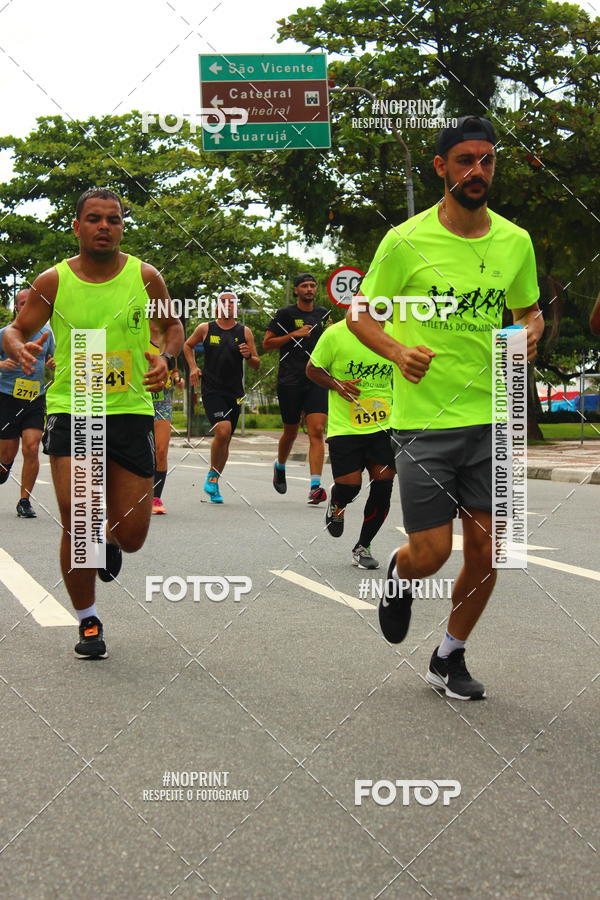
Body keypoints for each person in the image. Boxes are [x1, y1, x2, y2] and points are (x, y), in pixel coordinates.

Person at [348, 116, 544, 699]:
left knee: (489, 550)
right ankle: (400, 575)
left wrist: (531, 331)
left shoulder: (515, 241)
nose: (477, 170)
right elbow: (359, 314)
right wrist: (396, 348)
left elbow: (528, 310)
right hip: (426, 419)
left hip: (496, 418)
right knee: (431, 552)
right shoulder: (405, 241)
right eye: (465, 160)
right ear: (441, 168)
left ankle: (449, 654)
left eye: (486, 160)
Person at [4, 188, 183, 659]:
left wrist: (165, 357)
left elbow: (171, 328)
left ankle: (109, 540)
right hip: (73, 406)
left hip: (130, 412)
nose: (105, 226)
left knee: (132, 535)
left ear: (122, 226)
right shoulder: (54, 280)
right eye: (95, 218)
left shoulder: (146, 276)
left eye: (114, 219)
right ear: (78, 226)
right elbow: (18, 328)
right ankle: (87, 621)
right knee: (77, 520)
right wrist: (14, 344)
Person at [307, 315, 395, 568]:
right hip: (346, 426)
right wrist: (336, 384)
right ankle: (337, 502)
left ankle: (363, 546)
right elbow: (312, 369)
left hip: (385, 424)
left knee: (383, 485)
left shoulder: (395, 332)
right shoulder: (336, 333)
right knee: (350, 487)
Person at [184, 291, 259, 503]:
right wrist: (192, 367)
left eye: (232, 302)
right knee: (222, 430)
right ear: (218, 306)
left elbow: (256, 362)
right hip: (212, 389)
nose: (228, 305)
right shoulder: (206, 328)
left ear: (236, 307)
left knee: (225, 439)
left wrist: (248, 355)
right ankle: (212, 477)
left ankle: (214, 480)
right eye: (224, 302)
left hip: (235, 392)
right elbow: (187, 346)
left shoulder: (245, 332)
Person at [264, 273, 330, 504]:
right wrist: (293, 335)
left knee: (317, 430)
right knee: (290, 432)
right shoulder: (285, 314)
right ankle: (280, 465)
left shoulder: (324, 314)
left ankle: (315, 487)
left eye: (313, 285)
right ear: (296, 290)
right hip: (290, 379)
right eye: (304, 286)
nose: (310, 289)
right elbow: (267, 343)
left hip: (317, 378)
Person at [0, 289, 55, 517]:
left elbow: (51, 357)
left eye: (31, 303)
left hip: (34, 398)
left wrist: (53, 362)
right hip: (6, 398)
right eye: (22, 303)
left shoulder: (46, 334)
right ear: (16, 308)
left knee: (32, 447)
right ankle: (5, 466)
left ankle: (24, 500)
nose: (27, 306)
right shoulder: (4, 334)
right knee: (6, 455)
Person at [149, 321, 184, 515]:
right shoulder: (136, 334)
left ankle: (156, 497)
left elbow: (174, 368)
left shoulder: (169, 340)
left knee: (161, 450)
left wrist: (178, 379)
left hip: (162, 401)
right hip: (137, 400)